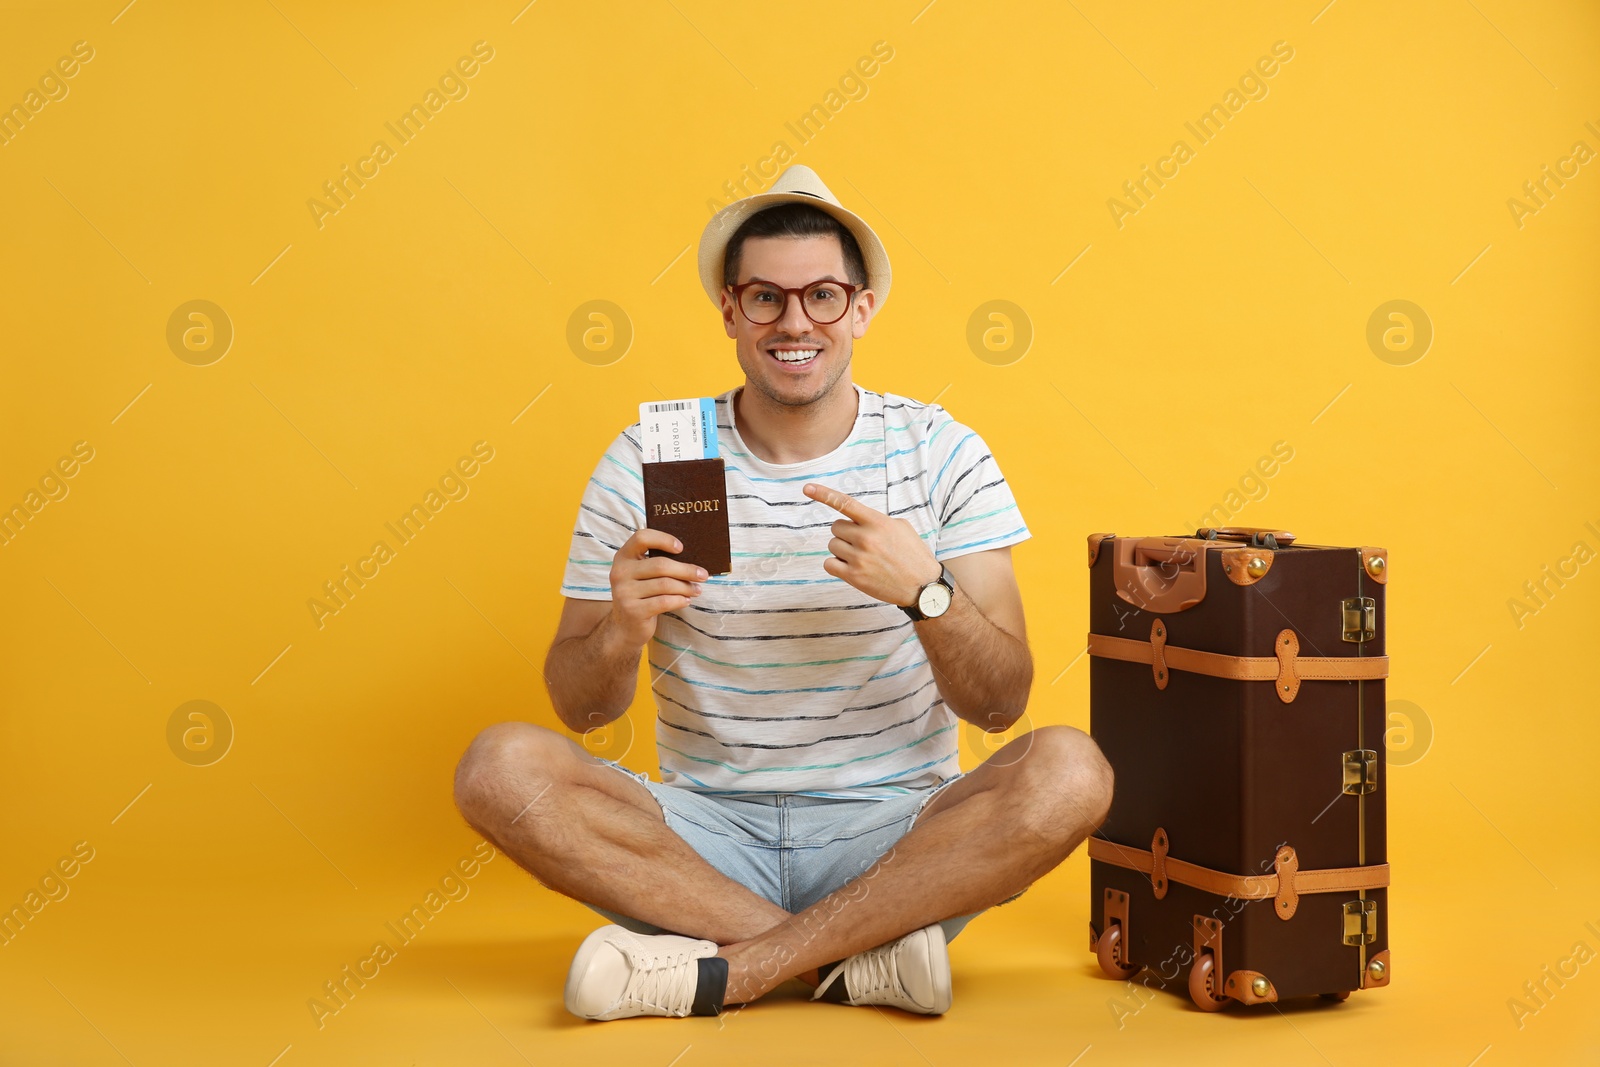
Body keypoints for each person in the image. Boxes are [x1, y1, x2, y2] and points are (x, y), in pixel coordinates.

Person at [453, 165, 1114, 1021]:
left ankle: (728, 969)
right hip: (699, 838)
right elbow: (579, 709)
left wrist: (928, 595)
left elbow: (1002, 704)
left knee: (1071, 768)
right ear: (730, 310)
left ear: (862, 307)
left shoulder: (940, 450)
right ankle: (846, 962)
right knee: (498, 766)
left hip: (902, 836)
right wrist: (621, 627)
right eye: (765, 297)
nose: (795, 322)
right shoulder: (652, 457)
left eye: (823, 296)